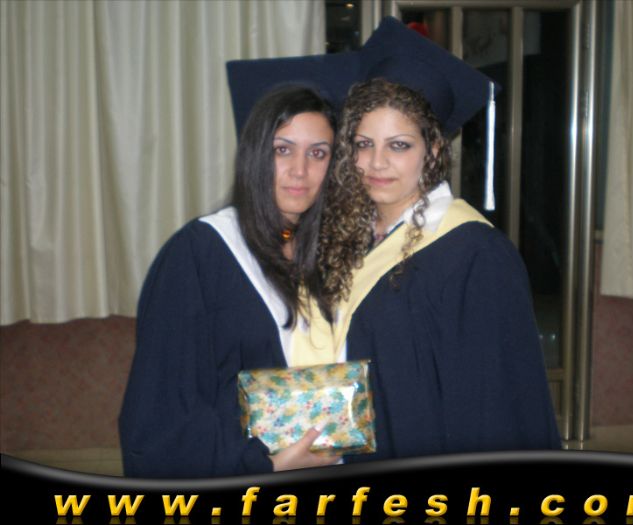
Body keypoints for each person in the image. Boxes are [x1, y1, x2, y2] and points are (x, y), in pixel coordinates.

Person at [317, 18, 561, 463]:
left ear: (432, 150)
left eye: (399, 146)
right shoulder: (350, 237)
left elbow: (494, 404)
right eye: (364, 143)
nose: (376, 163)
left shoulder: (474, 253)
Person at [119, 85, 342, 478]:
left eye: (318, 153)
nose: (300, 170)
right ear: (255, 155)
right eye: (282, 149)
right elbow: (166, 406)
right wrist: (265, 465)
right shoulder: (198, 255)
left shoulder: (336, 254)